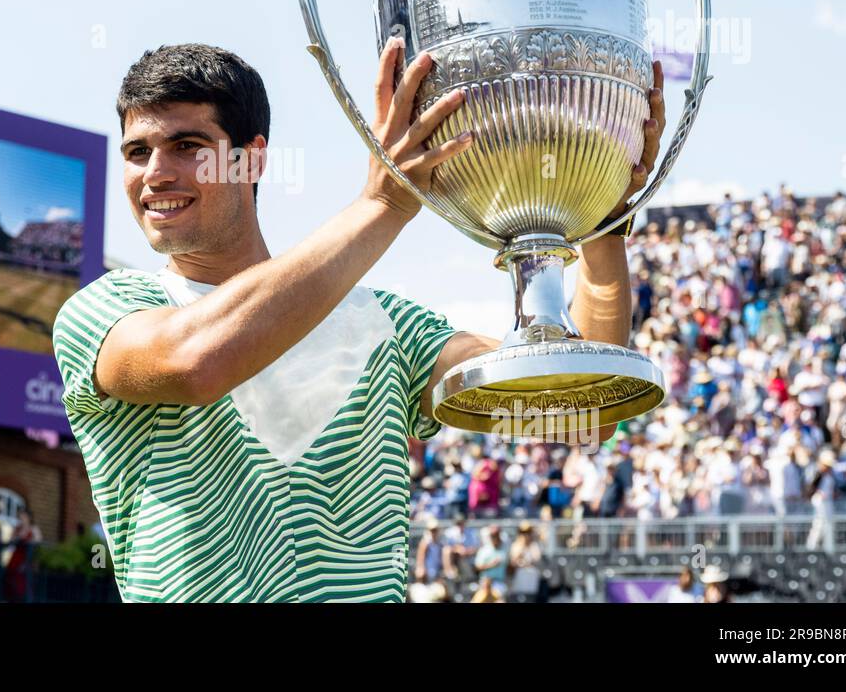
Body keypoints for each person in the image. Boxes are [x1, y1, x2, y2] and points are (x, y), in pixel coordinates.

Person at [51, 41, 665, 601]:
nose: (155, 173)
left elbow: (580, 409)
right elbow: (196, 363)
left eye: (187, 147)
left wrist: (599, 223)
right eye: (137, 152)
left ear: (251, 160)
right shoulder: (105, 312)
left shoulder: (386, 323)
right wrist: (383, 205)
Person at [3, 507, 44, 602]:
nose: (21, 518)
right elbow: (10, 541)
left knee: (24, 585)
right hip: (15, 558)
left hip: (26, 559)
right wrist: (16, 537)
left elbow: (38, 541)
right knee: (11, 583)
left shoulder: (34, 528)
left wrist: (30, 540)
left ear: (28, 517)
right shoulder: (17, 528)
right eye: (20, 516)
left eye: (23, 516)